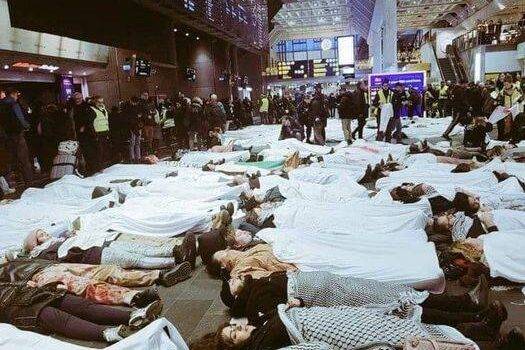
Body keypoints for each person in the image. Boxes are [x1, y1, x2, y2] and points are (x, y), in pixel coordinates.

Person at [0, 281, 162, 343]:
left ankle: (134, 316)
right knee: (52, 316)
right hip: (14, 310)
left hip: (31, 294)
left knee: (78, 304)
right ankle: (109, 333)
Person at [2, 258, 168, 307]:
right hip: (36, 277)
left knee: (108, 270)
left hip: (51, 265)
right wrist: (24, 286)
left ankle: (157, 275)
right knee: (85, 285)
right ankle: (133, 297)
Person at [20, 229, 197, 271]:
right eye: (40, 235)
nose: (45, 234)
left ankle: (176, 250)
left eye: (43, 231)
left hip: (102, 243)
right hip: (94, 254)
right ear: (35, 244)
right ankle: (175, 261)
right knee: (135, 259)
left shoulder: (59, 239)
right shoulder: (44, 253)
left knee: (139, 248)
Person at [0, 88, 33, 187]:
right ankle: (28, 182)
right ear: (13, 94)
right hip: (17, 134)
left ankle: (8, 183)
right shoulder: (14, 104)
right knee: (23, 159)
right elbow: (21, 119)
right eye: (16, 94)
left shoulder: (1, 104)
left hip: (5, 135)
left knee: (8, 159)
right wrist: (27, 126)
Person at [71, 92, 100, 175]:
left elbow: (93, 115)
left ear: (81, 98)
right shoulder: (74, 107)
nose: (77, 100)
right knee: (84, 152)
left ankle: (92, 169)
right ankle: (89, 168)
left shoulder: (86, 106)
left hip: (87, 133)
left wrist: (85, 126)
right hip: (79, 133)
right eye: (76, 99)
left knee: (89, 151)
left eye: (79, 98)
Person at [89, 95, 111, 167]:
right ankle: (100, 166)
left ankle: (105, 165)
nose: (101, 103)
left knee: (105, 150)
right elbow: (90, 124)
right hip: (98, 133)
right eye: (99, 102)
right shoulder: (92, 110)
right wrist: (94, 135)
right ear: (95, 102)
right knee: (99, 151)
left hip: (105, 132)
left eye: (102, 101)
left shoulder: (104, 109)